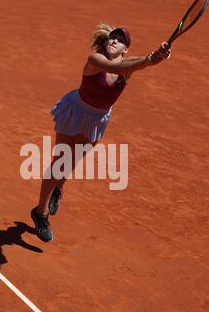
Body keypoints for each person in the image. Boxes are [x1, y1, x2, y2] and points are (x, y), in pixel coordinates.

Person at [31, 23, 171, 242]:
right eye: (112, 37)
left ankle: (57, 189)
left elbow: (135, 64)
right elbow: (117, 68)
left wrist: (156, 57)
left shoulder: (128, 67)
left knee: (72, 160)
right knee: (60, 160)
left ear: (125, 49)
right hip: (75, 110)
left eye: (120, 40)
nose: (114, 40)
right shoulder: (95, 60)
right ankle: (40, 214)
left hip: (98, 118)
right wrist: (151, 59)